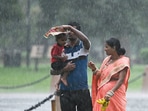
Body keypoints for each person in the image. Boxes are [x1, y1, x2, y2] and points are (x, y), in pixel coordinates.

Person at [56, 22, 92, 111]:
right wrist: (65, 69)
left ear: (78, 32)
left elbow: (86, 40)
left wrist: (69, 27)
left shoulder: (83, 47)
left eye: (73, 30)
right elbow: (54, 70)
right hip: (66, 90)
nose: (70, 32)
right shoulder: (62, 49)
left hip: (82, 89)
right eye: (68, 30)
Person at [88, 37, 130, 111]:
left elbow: (121, 80)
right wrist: (94, 69)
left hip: (115, 95)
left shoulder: (123, 62)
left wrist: (111, 92)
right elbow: (102, 76)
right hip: (103, 94)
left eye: (107, 47)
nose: (105, 49)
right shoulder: (107, 60)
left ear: (114, 48)